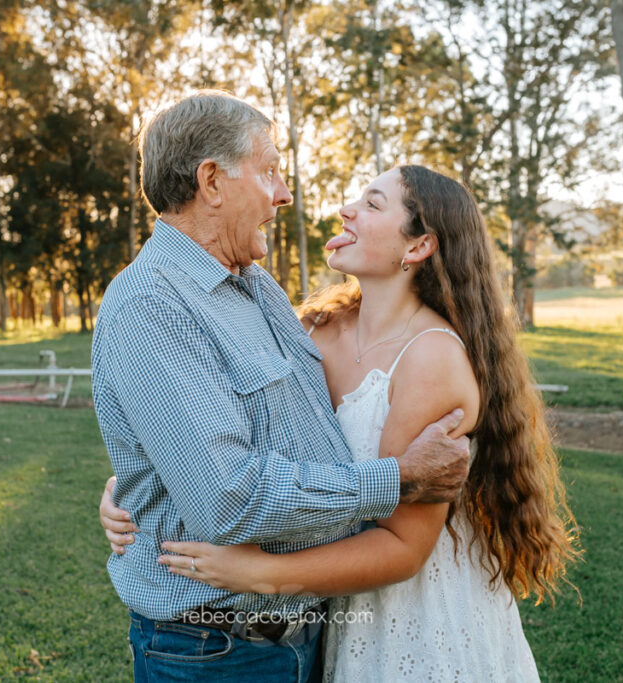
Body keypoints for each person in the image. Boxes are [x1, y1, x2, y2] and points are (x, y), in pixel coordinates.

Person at [103, 165, 579, 680]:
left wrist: (264, 574)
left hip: (407, 617)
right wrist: (138, 490)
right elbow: (224, 431)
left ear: (418, 247)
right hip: (326, 611)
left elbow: (403, 548)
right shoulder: (312, 329)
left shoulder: (430, 359)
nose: (346, 209)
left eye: (373, 204)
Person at [91, 92, 472, 683]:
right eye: (270, 172)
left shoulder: (259, 288)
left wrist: (141, 483)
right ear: (211, 181)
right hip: (214, 650)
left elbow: (273, 434)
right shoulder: (151, 306)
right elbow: (224, 499)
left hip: (310, 633)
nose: (285, 195)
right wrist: (398, 478)